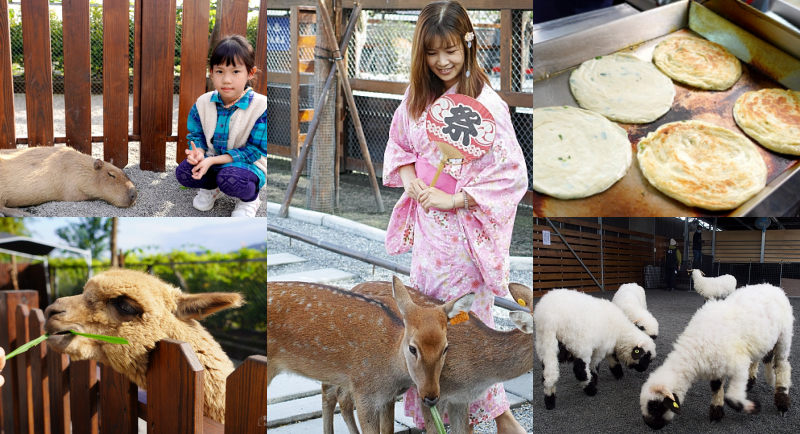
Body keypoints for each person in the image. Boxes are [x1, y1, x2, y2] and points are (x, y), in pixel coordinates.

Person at [382, 2, 528, 433]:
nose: (442, 61)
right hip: (429, 239)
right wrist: (410, 179)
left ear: (468, 44)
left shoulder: (487, 104)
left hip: (465, 241)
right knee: (428, 329)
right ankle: (467, 422)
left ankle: (480, 421)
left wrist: (456, 199)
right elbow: (400, 144)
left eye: (450, 50)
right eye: (432, 53)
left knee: (465, 336)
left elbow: (511, 175)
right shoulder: (417, 96)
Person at [175, 35, 267, 217]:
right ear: (211, 72)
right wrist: (198, 152)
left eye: (235, 71)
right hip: (211, 159)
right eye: (219, 71)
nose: (226, 80)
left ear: (250, 73)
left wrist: (211, 161)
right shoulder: (203, 103)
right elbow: (196, 135)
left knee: (230, 179)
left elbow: (254, 151)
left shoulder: (261, 107)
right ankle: (211, 187)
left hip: (246, 165)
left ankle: (250, 199)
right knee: (183, 173)